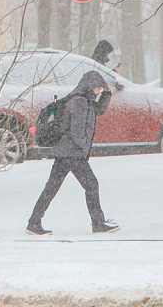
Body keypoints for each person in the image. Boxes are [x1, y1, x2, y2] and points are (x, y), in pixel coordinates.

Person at [26, 71, 119, 235]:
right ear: (89, 86)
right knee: (91, 184)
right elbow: (76, 131)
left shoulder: (85, 101)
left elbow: (99, 110)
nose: (98, 92)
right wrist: (84, 148)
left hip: (66, 153)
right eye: (97, 88)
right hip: (72, 153)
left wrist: (107, 93)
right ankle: (98, 223)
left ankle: (34, 222)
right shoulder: (78, 103)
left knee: (52, 188)